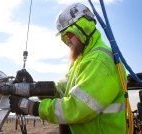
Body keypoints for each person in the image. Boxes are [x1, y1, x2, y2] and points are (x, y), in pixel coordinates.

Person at [9, 3, 126, 134]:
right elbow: (60, 90)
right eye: (63, 37)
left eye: (69, 35)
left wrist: (30, 106)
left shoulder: (99, 60)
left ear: (83, 28)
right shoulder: (81, 60)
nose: (67, 41)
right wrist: (34, 87)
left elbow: (77, 108)